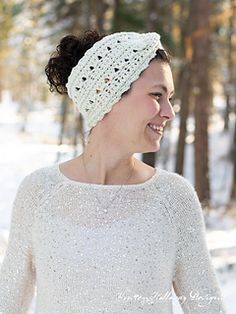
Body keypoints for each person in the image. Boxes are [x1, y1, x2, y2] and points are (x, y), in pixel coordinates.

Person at [0, 30, 227, 313]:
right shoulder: (39, 192)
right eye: (157, 95)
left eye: (170, 98)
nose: (169, 112)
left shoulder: (173, 198)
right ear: (105, 91)